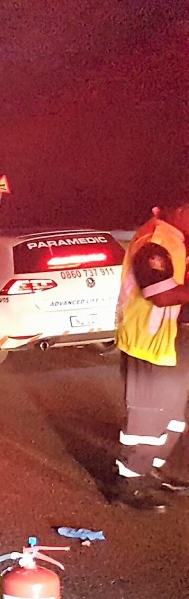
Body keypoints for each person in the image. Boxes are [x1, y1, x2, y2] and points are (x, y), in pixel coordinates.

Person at [111, 197, 189, 511]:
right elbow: (161, 293)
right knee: (146, 419)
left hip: (166, 343)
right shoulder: (155, 240)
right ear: (179, 210)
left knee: (171, 417)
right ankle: (127, 486)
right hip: (145, 343)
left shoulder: (175, 239)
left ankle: (148, 472)